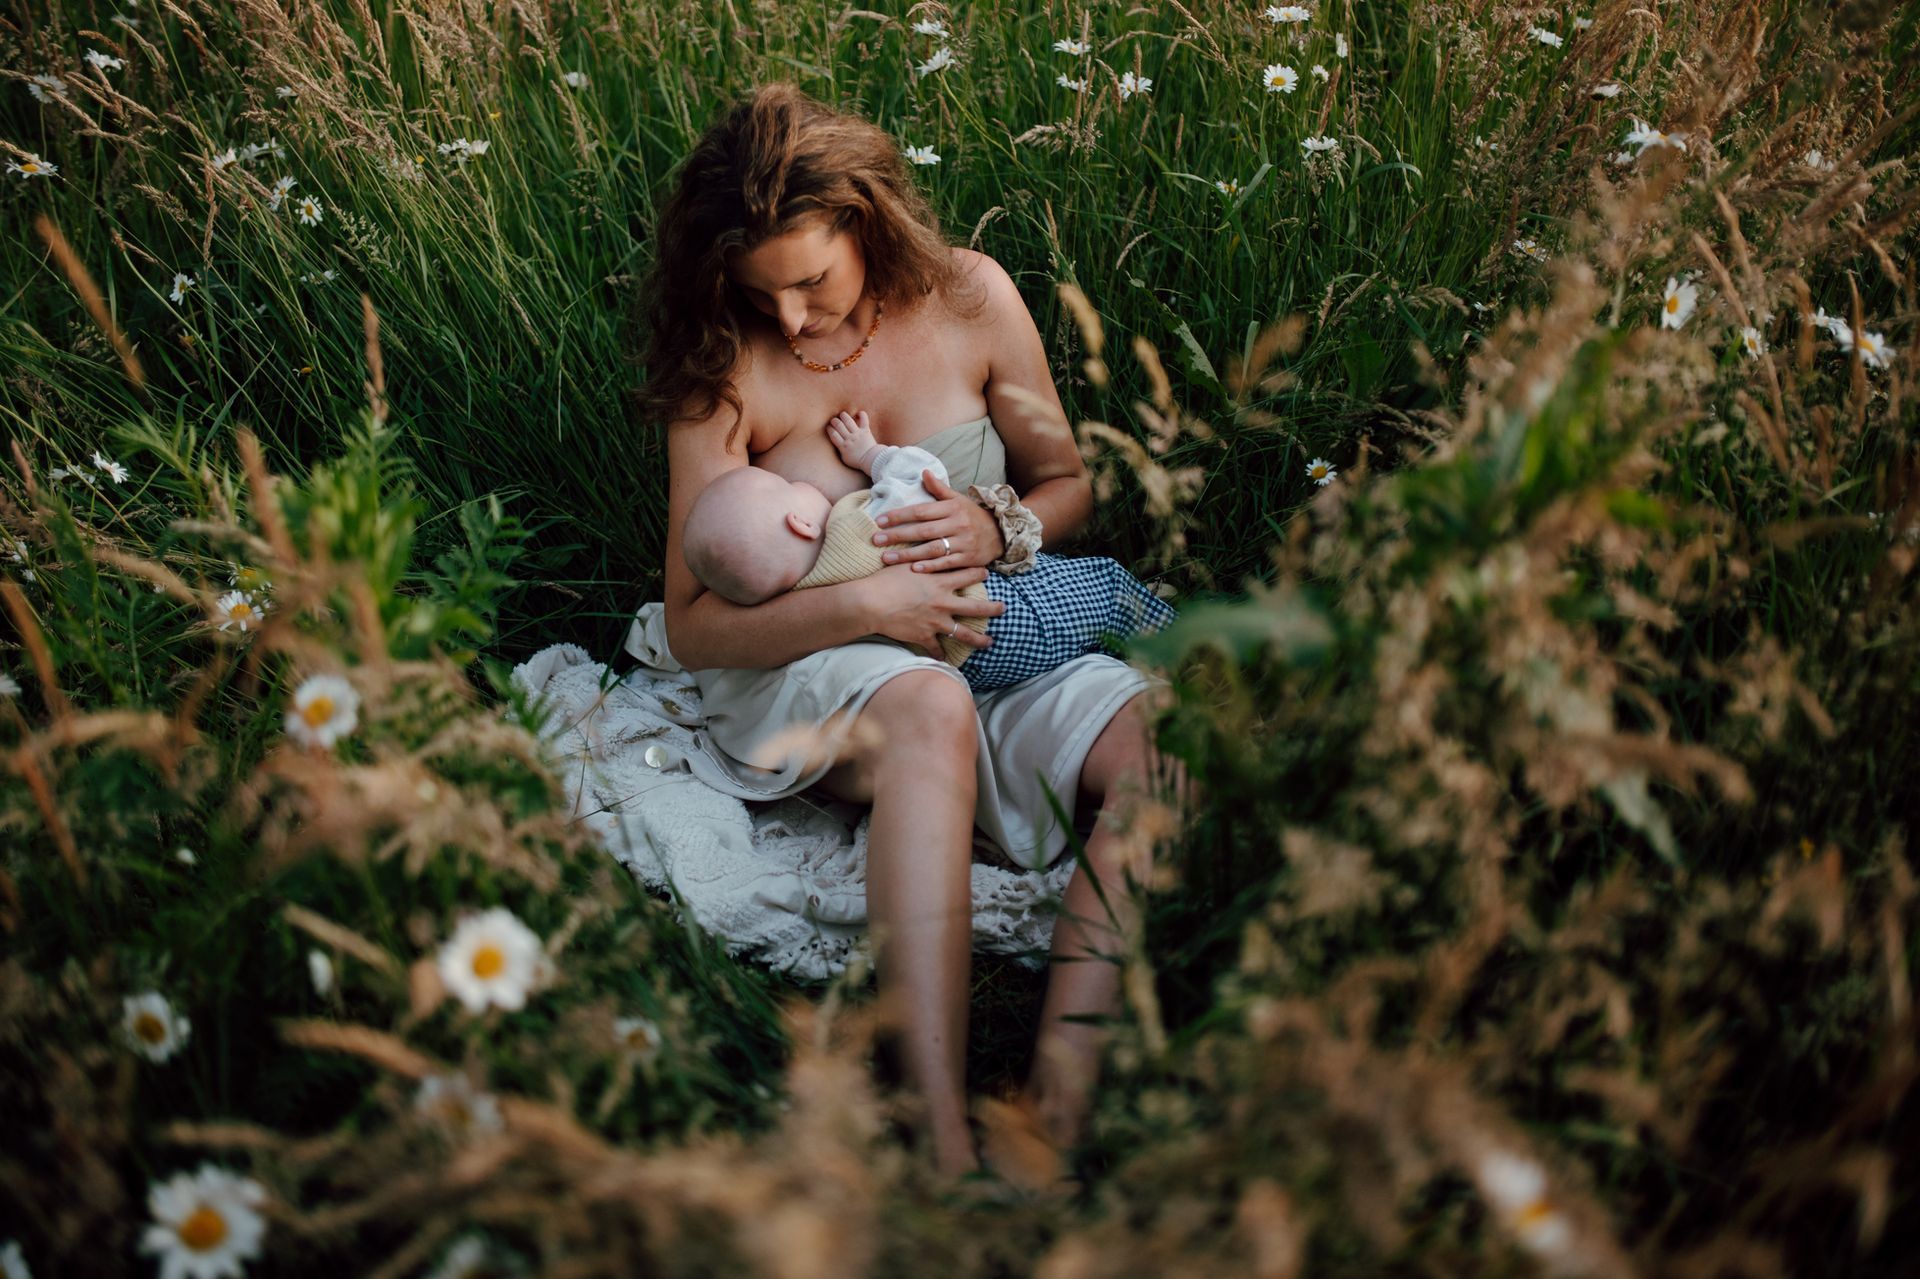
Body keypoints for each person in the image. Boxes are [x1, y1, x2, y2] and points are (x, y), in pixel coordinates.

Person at [634, 81, 1190, 1183]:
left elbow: (1070, 483)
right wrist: (868, 607)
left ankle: (1057, 1107)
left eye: (810, 281)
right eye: (759, 290)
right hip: (811, 659)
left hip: (990, 625)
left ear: (864, 220)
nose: (790, 317)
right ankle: (934, 1130)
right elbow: (694, 627)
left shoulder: (973, 297)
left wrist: (996, 523)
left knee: (1165, 751)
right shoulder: (725, 367)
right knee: (928, 703)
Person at [679, 407, 1179, 691]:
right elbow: (923, 476)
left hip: (961, 664)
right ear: (801, 522)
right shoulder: (858, 526)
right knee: (1107, 587)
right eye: (784, 484)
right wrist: (868, 454)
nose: (798, 485)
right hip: (1001, 616)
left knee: (1084, 630)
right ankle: (1186, 648)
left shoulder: (801, 593)